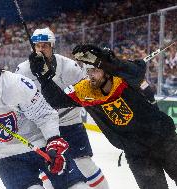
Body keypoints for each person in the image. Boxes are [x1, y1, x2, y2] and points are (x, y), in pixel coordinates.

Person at [35, 43, 177, 189]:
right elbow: (55, 100)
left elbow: (137, 70)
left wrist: (107, 60)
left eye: (95, 70)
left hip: (165, 141)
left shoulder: (122, 78)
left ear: (107, 71)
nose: (91, 75)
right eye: (88, 70)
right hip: (137, 154)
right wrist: (44, 79)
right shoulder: (84, 90)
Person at [0, 40, 88, 189]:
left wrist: (54, 140)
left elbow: (44, 115)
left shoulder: (16, 83)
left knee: (78, 187)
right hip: (7, 158)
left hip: (42, 145)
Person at [16, 27, 109, 189]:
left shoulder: (70, 67)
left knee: (84, 164)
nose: (40, 49)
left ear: (52, 46)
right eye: (37, 46)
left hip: (70, 122)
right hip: (42, 128)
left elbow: (86, 91)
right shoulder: (23, 70)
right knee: (48, 170)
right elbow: (15, 100)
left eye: (45, 45)